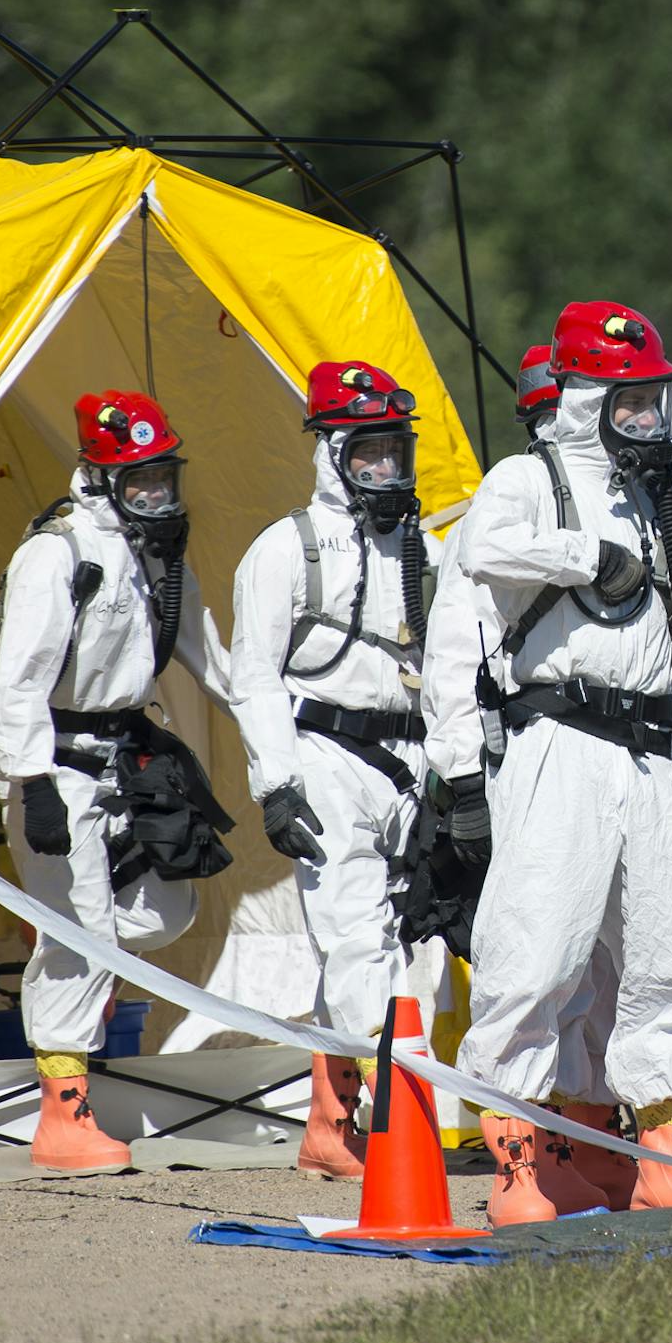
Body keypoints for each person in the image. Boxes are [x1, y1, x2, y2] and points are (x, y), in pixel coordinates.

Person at [453, 300, 672, 1224]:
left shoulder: (659, 492)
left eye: (650, 398)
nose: (642, 416)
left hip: (655, 752)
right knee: (536, 953)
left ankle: (665, 1155)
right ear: (579, 395)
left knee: (668, 962)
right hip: (563, 746)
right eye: (622, 400)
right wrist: (589, 557)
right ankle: (515, 1162)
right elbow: (478, 546)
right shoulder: (529, 476)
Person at [0, 390, 232, 1172]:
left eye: (164, 478)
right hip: (54, 759)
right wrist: (33, 783)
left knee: (166, 910)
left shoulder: (159, 558)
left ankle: (68, 962)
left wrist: (292, 721)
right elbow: (16, 683)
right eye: (140, 481)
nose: (156, 496)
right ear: (100, 475)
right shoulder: (56, 554)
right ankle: (64, 1117)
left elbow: (215, 662)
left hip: (127, 758)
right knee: (81, 936)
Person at [417, 344, 635, 1210]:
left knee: (606, 968)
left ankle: (589, 1143)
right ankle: (531, 1154)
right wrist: (463, 782)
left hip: (598, 754)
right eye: (548, 415)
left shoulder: (622, 512)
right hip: (520, 763)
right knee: (537, 961)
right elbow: (449, 660)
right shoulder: (493, 524)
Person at [229, 361, 440, 1181]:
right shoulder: (284, 550)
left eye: (396, 452)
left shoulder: (426, 547)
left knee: (391, 943)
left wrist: (459, 775)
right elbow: (254, 675)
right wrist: (277, 784)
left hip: (414, 761)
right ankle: (399, 1120)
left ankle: (332, 1120)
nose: (386, 470)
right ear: (332, 454)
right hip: (323, 759)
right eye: (368, 454)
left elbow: (455, 663)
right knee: (355, 939)